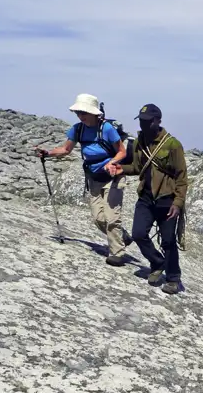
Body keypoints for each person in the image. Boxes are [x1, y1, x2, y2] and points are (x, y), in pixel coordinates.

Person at [35, 93, 132, 266]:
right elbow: (66, 149)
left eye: (84, 112)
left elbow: (122, 152)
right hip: (94, 178)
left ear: (94, 113)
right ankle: (122, 236)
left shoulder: (107, 129)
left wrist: (112, 163)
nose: (81, 116)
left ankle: (117, 253)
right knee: (98, 218)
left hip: (113, 177)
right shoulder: (78, 129)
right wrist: (48, 153)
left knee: (111, 217)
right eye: (79, 113)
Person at [105, 103, 187, 294]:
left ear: (158, 121)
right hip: (146, 197)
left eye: (147, 122)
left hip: (167, 199)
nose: (143, 125)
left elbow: (182, 177)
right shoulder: (140, 141)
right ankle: (157, 263)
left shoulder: (172, 144)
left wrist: (178, 203)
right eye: (141, 121)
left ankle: (174, 278)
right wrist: (120, 169)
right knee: (139, 234)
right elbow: (136, 167)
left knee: (168, 241)